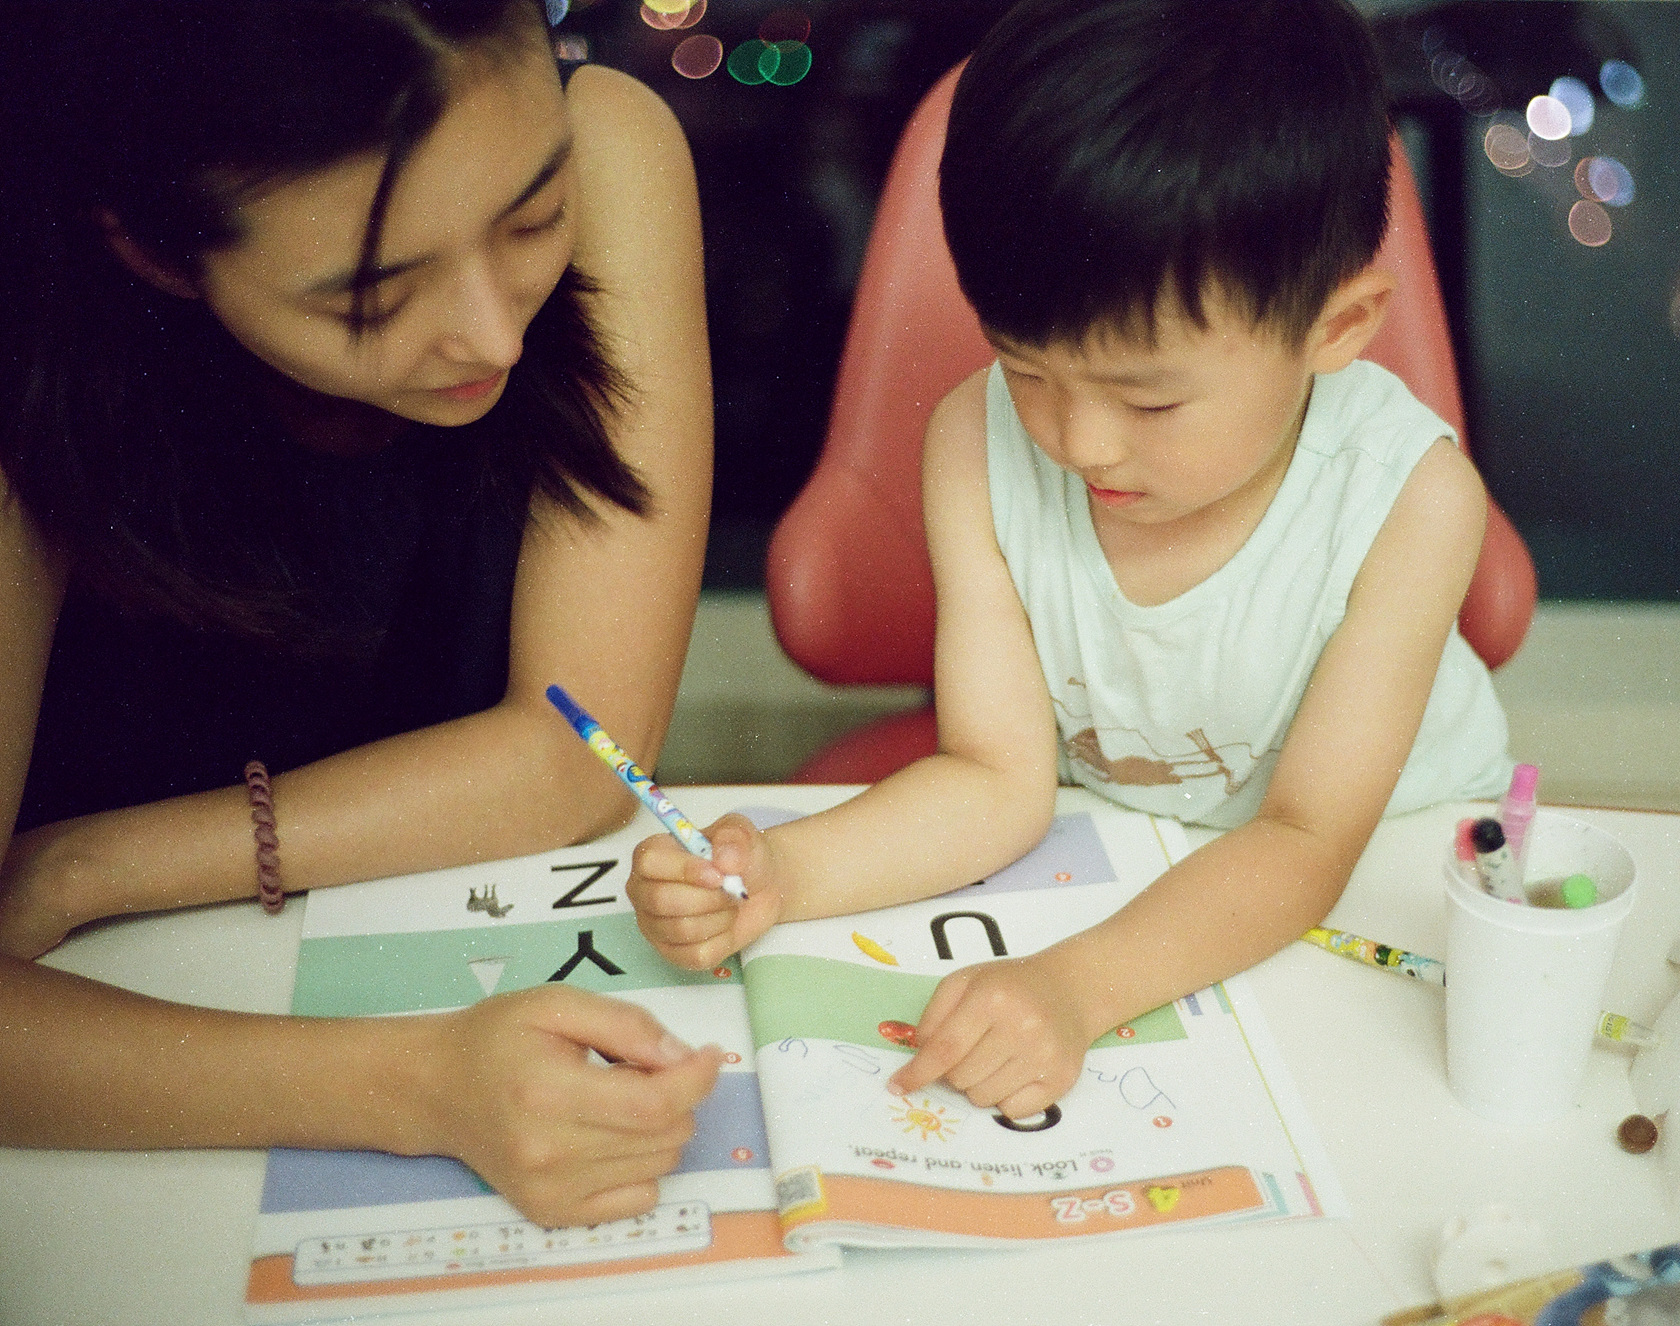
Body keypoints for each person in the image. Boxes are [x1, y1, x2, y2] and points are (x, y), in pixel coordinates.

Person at [630, 0, 1512, 1120]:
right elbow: (995, 777)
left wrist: (1075, 988)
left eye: (1149, 400)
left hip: (1378, 879)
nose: (1080, 443)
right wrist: (785, 872)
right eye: (1027, 368)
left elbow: (1304, 840)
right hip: (1133, 873)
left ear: (1335, 329)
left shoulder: (1410, 501)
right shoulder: (975, 440)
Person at [0, 0, 721, 1228]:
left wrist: (81, 867)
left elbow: (576, 750)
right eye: (374, 294)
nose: (493, 333)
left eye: (531, 218)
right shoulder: (35, 309)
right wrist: (416, 1086)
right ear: (154, 251)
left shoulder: (608, 146)